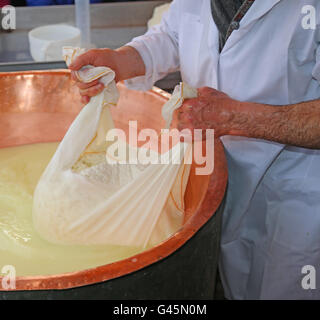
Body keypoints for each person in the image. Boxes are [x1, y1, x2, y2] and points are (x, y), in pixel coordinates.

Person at [69, 0, 320, 299]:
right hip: (221, 182)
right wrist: (122, 61)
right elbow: (175, 34)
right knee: (237, 284)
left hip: (296, 194)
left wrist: (233, 117)